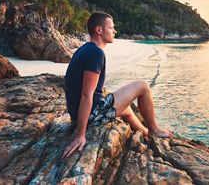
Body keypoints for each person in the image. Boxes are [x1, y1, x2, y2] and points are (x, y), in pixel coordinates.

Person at [62, 12, 173, 159]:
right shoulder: (96, 53)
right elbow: (86, 94)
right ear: (99, 30)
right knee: (143, 86)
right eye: (111, 28)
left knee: (126, 109)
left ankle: (147, 133)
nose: (114, 31)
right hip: (92, 115)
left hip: (77, 114)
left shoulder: (85, 49)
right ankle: (154, 129)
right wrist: (80, 135)